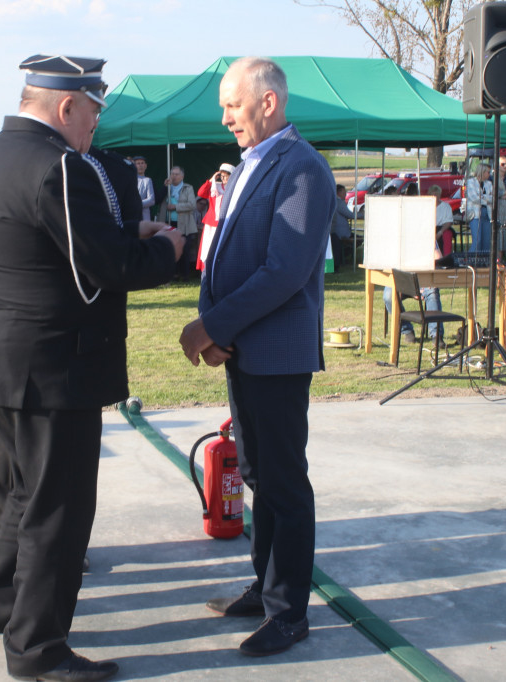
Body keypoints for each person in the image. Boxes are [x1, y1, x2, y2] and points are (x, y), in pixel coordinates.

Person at [0, 54, 182, 682]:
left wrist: (123, 232)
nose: (94, 125)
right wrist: (163, 246)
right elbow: (105, 270)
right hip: (57, 367)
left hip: (4, 359)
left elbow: (48, 247)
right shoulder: (61, 166)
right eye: (92, 111)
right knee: (57, 514)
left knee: (14, 498)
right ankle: (38, 650)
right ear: (66, 106)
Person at [179, 56, 333, 658]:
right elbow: (224, 253)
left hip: (277, 352)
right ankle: (265, 587)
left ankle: (289, 611)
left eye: (233, 106)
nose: (225, 119)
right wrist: (217, 329)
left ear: (268, 102)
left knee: (284, 483)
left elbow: (285, 271)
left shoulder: (303, 170)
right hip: (246, 348)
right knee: (260, 477)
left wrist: (209, 326)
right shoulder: (253, 164)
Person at [157, 166, 198, 280]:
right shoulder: (167, 187)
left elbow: (192, 205)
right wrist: (165, 187)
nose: (173, 176)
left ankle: (185, 274)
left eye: (176, 174)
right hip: (168, 223)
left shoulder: (188, 188)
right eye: (172, 174)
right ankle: (172, 273)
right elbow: (157, 199)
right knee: (170, 249)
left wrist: (176, 207)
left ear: (182, 176)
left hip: (183, 224)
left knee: (184, 249)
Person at [196, 163, 235, 270]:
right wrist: (211, 180)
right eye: (222, 176)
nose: (223, 178)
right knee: (208, 248)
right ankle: (206, 270)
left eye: (226, 176)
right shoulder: (215, 186)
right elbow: (201, 193)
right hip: (211, 223)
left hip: (226, 222)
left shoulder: (234, 188)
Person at [465, 163, 493, 253]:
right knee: (477, 240)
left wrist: (483, 197)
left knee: (486, 241)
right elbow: (473, 198)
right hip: (475, 214)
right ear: (482, 172)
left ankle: (485, 262)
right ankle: (471, 260)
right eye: (488, 172)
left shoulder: (489, 183)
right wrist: (486, 199)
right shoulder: (470, 182)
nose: (489, 174)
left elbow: (493, 198)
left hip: (487, 213)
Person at [331, 183, 357, 265]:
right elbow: (351, 215)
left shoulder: (334, 202)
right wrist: (363, 214)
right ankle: (345, 255)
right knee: (358, 239)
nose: (345, 194)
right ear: (339, 192)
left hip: (336, 231)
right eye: (344, 192)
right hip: (340, 233)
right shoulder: (339, 203)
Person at [430, 184, 455, 256]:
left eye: (436, 194)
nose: (435, 197)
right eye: (433, 194)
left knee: (447, 234)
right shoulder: (427, 206)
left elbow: (448, 222)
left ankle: (446, 257)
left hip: (443, 228)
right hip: (431, 228)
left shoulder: (446, 206)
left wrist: (440, 232)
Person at [134, 155, 156, 221]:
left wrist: (137, 204)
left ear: (145, 166)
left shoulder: (148, 180)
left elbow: (151, 200)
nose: (140, 165)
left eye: (142, 163)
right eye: (138, 163)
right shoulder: (129, 179)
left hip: (144, 216)